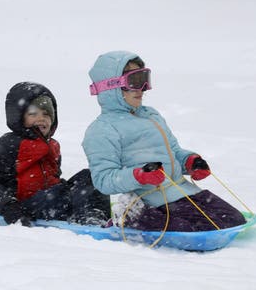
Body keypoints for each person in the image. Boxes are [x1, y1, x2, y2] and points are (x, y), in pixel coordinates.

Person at [82, 51, 246, 231]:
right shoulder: (101, 130)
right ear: (111, 87)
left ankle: (149, 219)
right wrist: (139, 176)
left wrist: (189, 161)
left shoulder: (151, 115)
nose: (142, 88)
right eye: (134, 81)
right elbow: (104, 180)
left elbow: (173, 152)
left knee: (233, 220)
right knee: (198, 229)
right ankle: (132, 216)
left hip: (183, 191)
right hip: (151, 200)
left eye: (144, 79)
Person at [0, 82, 111, 226]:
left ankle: (96, 216)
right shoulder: (10, 143)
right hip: (25, 206)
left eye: (46, 114)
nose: (41, 118)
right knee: (64, 194)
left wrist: (66, 188)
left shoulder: (52, 145)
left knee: (91, 175)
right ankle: (86, 218)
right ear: (19, 117)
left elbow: (52, 177)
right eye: (33, 114)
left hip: (50, 199)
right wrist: (9, 206)